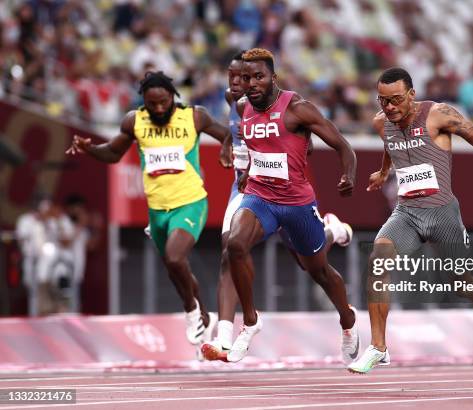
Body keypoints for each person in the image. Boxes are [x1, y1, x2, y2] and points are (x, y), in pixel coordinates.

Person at [348, 67, 473, 374]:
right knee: (378, 260)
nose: (389, 107)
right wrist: (384, 172)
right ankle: (378, 347)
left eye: (396, 100)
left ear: (412, 95)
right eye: (382, 101)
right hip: (406, 214)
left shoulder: (438, 115)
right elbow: (390, 144)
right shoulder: (381, 122)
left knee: (460, 281)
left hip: (442, 213)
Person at [202, 51, 355, 361]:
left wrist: (348, 175)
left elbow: (343, 145)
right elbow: (256, 147)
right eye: (246, 78)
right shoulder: (242, 107)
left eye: (259, 76)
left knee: (318, 270)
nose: (252, 83)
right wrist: (246, 171)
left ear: (273, 77)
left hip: (297, 203)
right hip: (261, 197)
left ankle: (348, 321)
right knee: (234, 244)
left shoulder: (298, 109)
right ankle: (250, 321)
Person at [66, 71, 232, 352]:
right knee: (175, 267)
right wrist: (90, 148)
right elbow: (113, 153)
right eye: (152, 103)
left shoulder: (194, 117)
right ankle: (204, 314)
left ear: (173, 97)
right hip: (157, 210)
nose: (158, 108)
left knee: (175, 256)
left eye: (163, 102)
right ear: (143, 101)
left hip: (190, 201)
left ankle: (191, 312)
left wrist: (226, 149)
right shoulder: (135, 121)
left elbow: (229, 134)